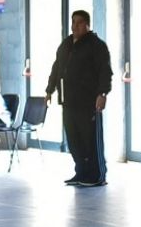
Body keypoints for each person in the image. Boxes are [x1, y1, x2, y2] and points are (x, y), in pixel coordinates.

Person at [45, 10, 112, 187]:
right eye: (73, 22)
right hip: (68, 101)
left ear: (87, 25)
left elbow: (105, 71)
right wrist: (49, 90)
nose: (75, 26)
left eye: (79, 22)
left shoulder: (96, 45)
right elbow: (56, 67)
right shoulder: (66, 44)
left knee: (90, 139)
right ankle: (81, 172)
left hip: (88, 102)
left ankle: (97, 175)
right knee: (74, 140)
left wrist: (102, 93)